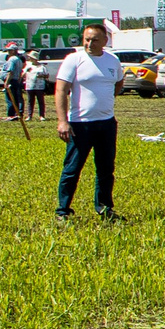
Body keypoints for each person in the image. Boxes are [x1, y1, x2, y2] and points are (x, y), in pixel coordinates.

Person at [54, 22, 125, 220]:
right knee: (72, 169)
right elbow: (60, 90)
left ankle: (104, 209)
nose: (89, 43)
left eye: (94, 40)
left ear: (105, 41)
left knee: (105, 169)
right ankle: (63, 210)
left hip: (107, 123)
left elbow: (118, 83)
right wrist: (62, 121)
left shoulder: (112, 61)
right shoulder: (74, 60)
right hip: (80, 124)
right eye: (86, 39)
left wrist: (107, 99)